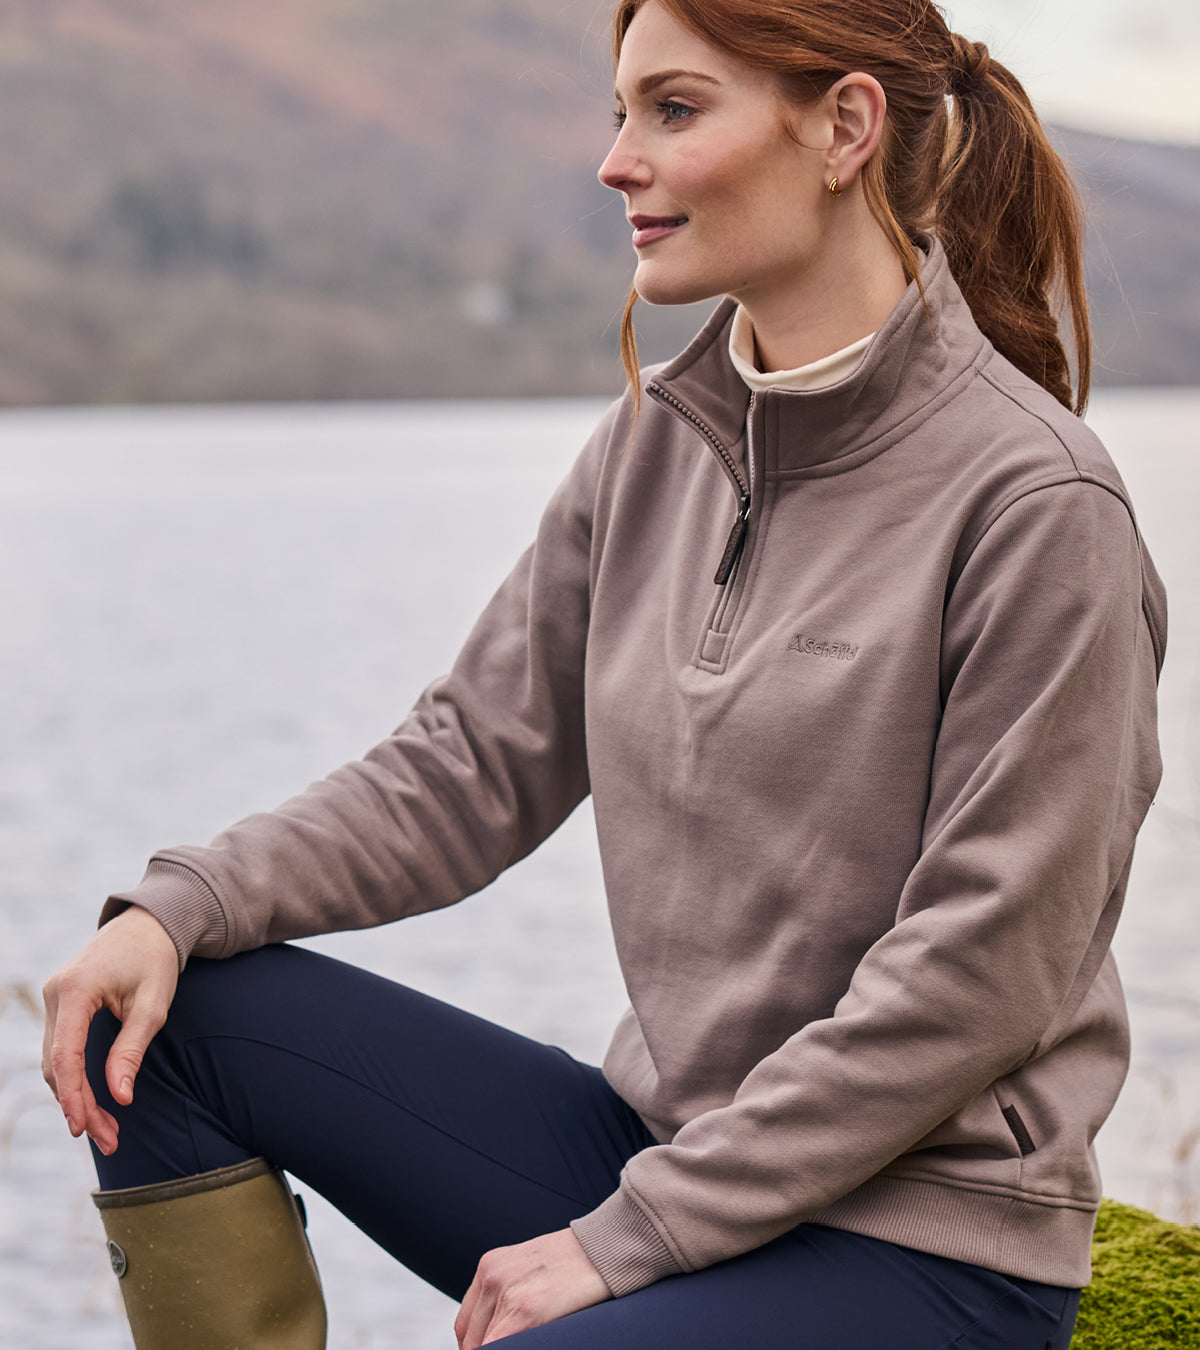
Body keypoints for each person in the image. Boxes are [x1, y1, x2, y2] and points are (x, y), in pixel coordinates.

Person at [42, 0, 1166, 1346]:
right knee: (159, 1022)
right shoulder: (651, 449)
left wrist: (622, 1241)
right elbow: (465, 767)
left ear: (844, 129)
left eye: (674, 110)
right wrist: (181, 904)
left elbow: (979, 975)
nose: (616, 161)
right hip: (664, 1153)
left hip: (923, 1240)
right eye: (620, 112)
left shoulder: (1038, 506)